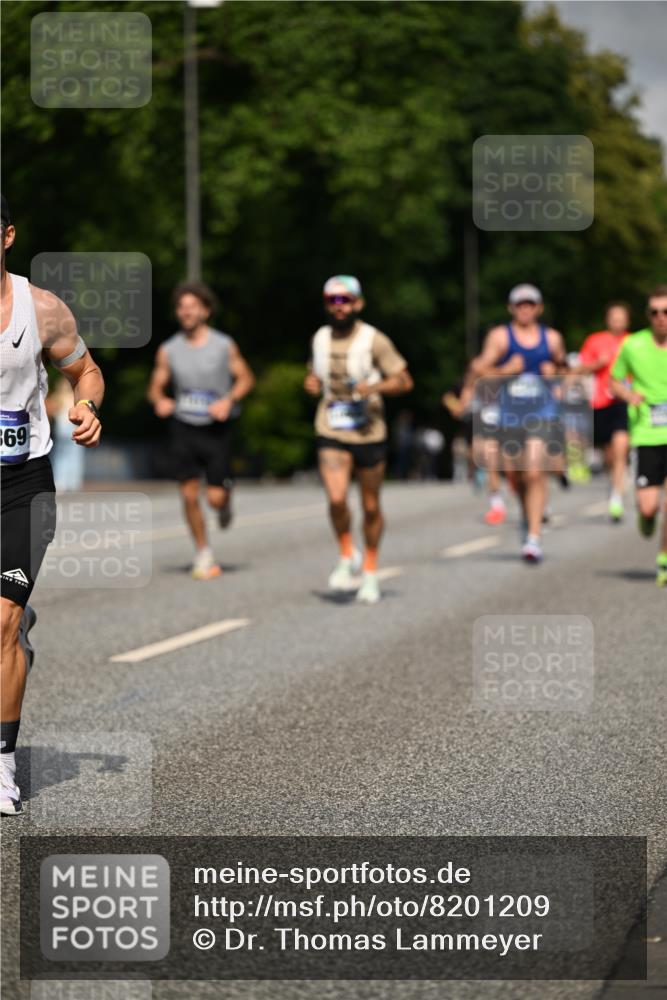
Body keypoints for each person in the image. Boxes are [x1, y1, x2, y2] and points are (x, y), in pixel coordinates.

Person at [0, 195, 104, 815]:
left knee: (1, 623)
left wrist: (86, 405)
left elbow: (85, 371)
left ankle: (2, 765)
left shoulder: (42, 309)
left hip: (21, 485)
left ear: (7, 235)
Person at [304, 275, 413, 603]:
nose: (340, 307)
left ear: (358, 303)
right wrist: (309, 384)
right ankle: (346, 553)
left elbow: (404, 381)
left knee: (370, 505)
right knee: (337, 498)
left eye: (346, 300)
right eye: (333, 301)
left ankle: (370, 568)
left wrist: (376, 388)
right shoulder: (320, 338)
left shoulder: (374, 340)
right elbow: (314, 375)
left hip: (369, 430)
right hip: (331, 426)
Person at [148, 282, 255, 579]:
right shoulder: (168, 349)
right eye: (181, 306)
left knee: (215, 498)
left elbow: (246, 378)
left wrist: (229, 400)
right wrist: (160, 401)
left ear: (205, 311)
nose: (186, 311)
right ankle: (203, 552)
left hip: (217, 427)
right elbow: (155, 387)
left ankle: (226, 499)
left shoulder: (223, 345)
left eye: (192, 306)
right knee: (188, 493)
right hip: (184, 426)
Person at [470, 283, 566, 562]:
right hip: (509, 416)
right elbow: (479, 368)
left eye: (531, 304)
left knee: (535, 471)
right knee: (520, 476)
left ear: (539, 308)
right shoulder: (501, 337)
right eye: (520, 304)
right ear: (511, 308)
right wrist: (504, 370)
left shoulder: (552, 339)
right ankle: (527, 518)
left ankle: (534, 537)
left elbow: (566, 369)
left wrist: (555, 372)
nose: (525, 309)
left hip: (542, 413)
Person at [610, 285, 667, 586]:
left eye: (666, 311)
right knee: (650, 506)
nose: (661, 317)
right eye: (654, 312)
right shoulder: (633, 345)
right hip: (646, 434)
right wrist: (628, 394)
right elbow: (614, 380)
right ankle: (647, 517)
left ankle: (664, 561)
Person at [576, 303, 631, 520]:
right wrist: (596, 364)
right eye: (613, 317)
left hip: (624, 401)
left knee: (620, 447)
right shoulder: (595, 341)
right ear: (607, 320)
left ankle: (616, 495)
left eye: (621, 318)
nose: (617, 321)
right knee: (609, 452)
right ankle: (614, 480)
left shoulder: (633, 342)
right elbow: (579, 368)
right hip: (600, 403)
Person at [46, 376, 86, 491]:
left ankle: (60, 481)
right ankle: (74, 481)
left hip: (61, 428)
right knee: (75, 455)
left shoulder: (57, 397)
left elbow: (51, 411)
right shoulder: (76, 397)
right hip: (73, 427)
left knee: (60, 455)